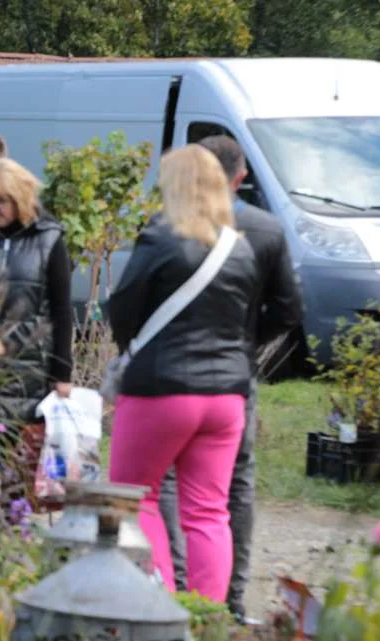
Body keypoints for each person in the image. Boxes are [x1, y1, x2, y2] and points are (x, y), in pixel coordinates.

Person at [106, 144, 259, 602]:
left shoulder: (160, 236)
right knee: (209, 512)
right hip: (227, 397)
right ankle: (206, 617)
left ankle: (154, 609)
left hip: (162, 390)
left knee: (138, 499)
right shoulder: (240, 247)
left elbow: (124, 309)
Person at [159, 135, 303, 619]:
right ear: (241, 176)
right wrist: (246, 339)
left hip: (172, 372)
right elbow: (288, 310)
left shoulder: (169, 225)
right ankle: (229, 601)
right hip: (234, 375)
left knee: (171, 479)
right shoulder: (265, 229)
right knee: (234, 483)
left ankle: (175, 589)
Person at [0, 158, 73, 421]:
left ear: (19, 198)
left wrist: (62, 374)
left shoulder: (49, 239)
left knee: (17, 453)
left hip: (28, 370)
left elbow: (62, 310)